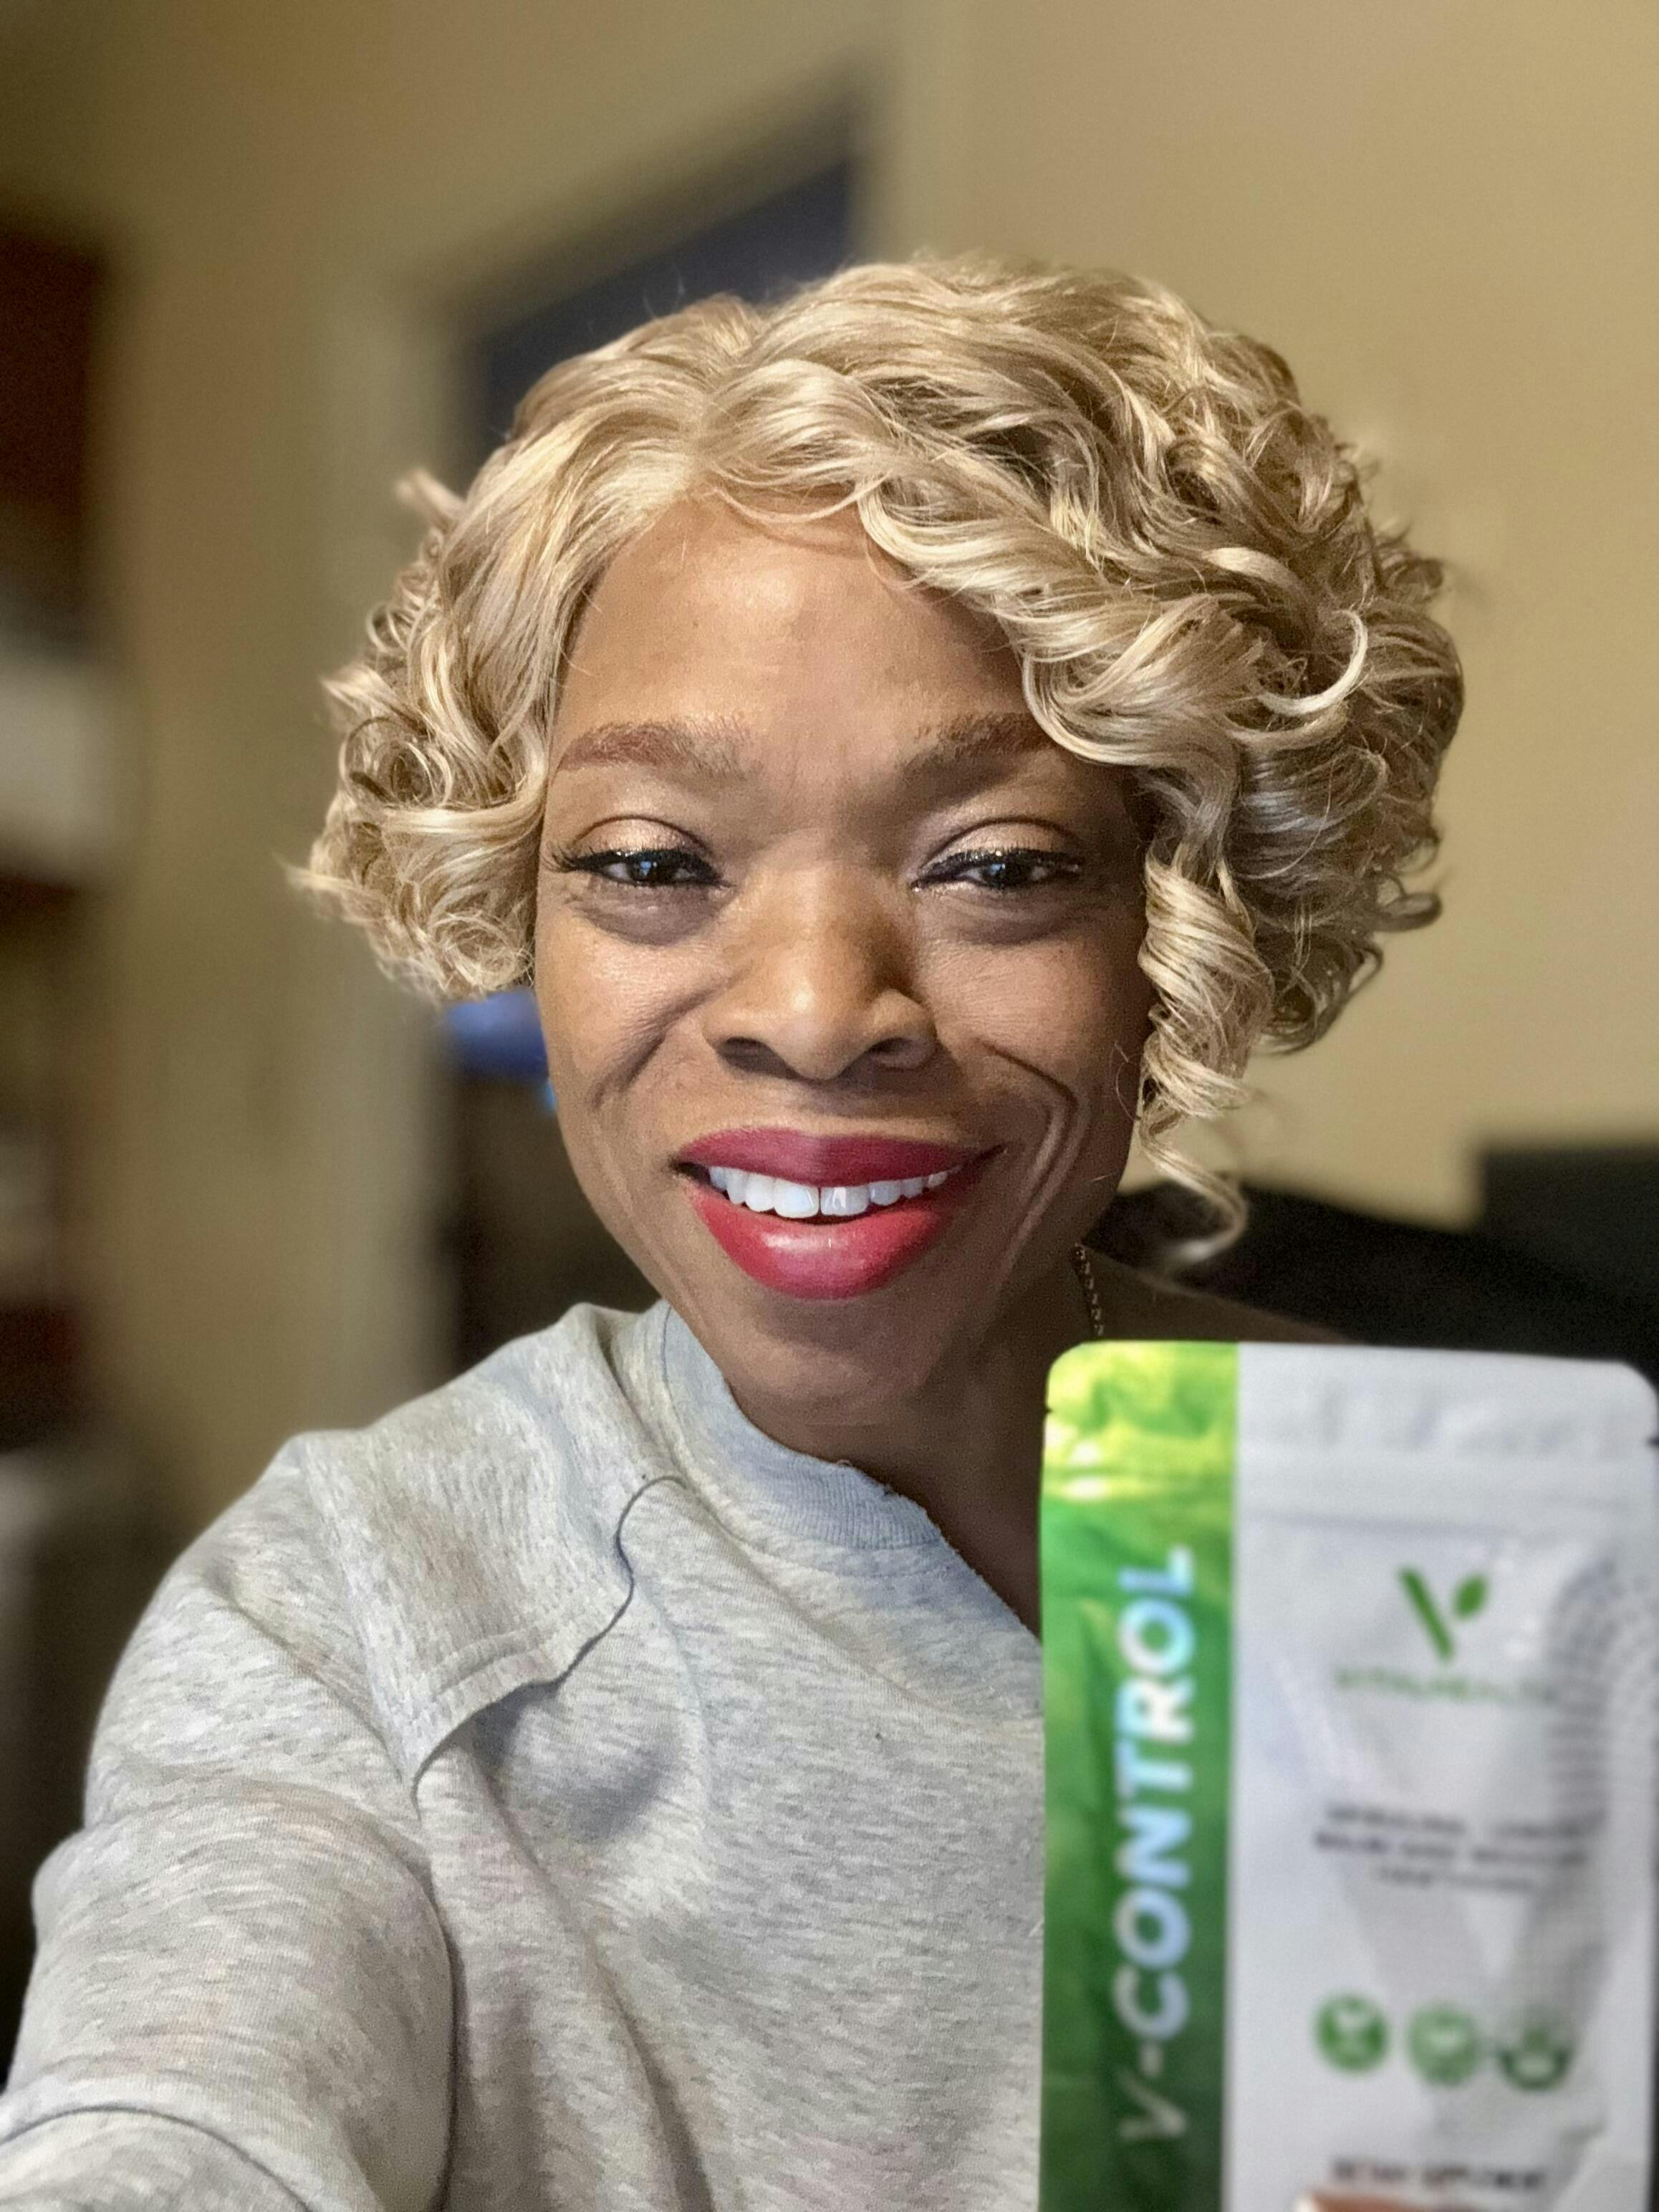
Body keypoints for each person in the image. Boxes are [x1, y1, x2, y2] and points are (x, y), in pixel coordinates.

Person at [0, 256, 1461, 2206]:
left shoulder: (1458, 1544)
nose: (814, 1009)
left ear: (1178, 919)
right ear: (521, 913)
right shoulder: (357, 1628)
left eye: (998, 864)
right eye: (651, 862)